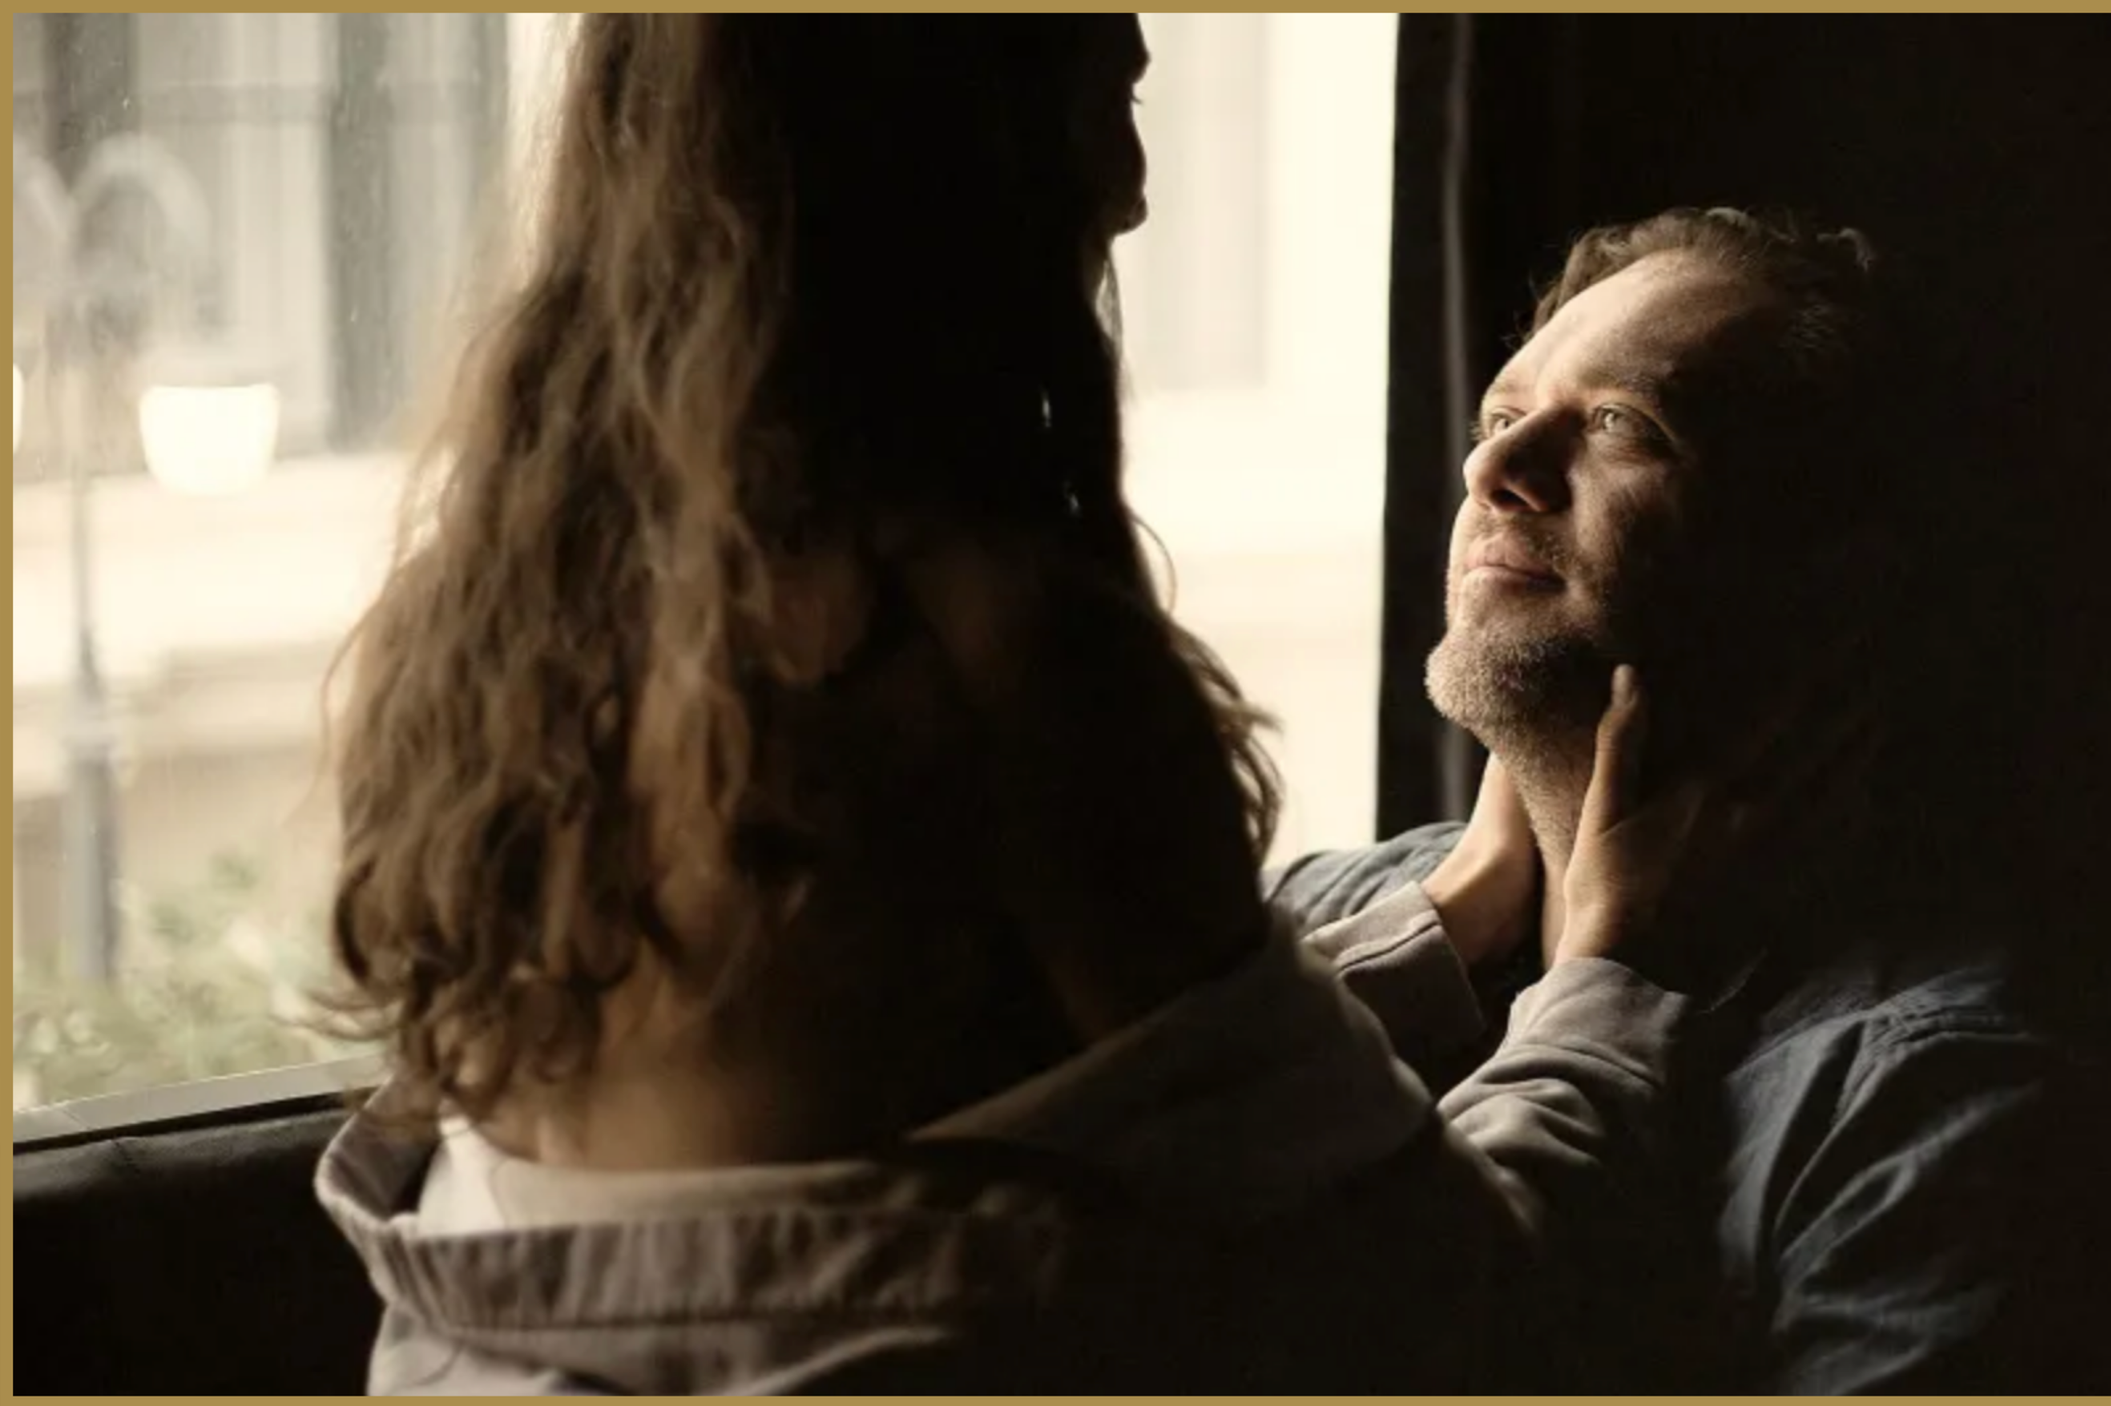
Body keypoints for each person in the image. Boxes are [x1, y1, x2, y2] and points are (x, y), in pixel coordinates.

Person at [309, 16, 1695, 1394]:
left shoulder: (484, 621)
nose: (1133, 190)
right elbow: (1451, 1303)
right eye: (1108, 102)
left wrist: (1445, 927)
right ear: (950, 151)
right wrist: (1607, 975)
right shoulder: (990, 654)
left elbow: (945, 1110)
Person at [1273, 207, 2111, 1392]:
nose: (1492, 468)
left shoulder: (1930, 1099)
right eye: (1499, 416)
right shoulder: (1321, 907)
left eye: (1620, 423)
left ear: (1828, 572)